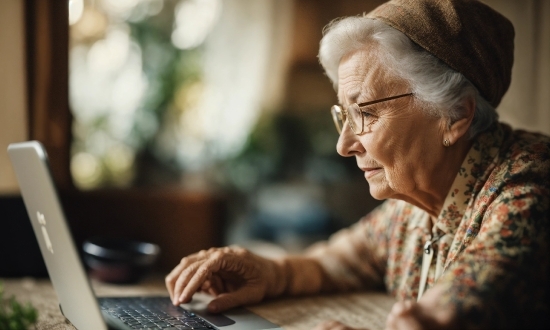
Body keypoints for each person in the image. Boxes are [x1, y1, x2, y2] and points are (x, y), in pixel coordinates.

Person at [166, 0, 550, 329]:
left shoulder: (529, 187)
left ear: (455, 116)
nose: (344, 145)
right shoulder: (415, 207)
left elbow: (473, 291)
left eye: (365, 113)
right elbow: (343, 259)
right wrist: (271, 272)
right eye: (343, 116)